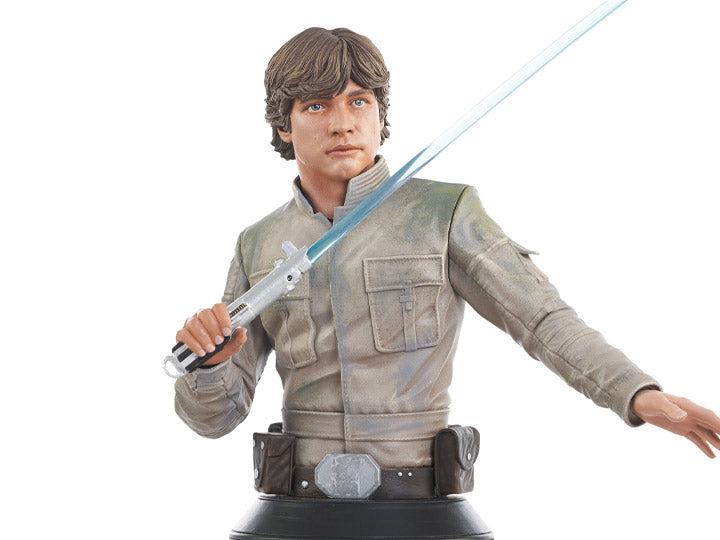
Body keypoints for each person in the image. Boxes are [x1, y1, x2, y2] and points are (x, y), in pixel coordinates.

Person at [172, 26, 720, 534]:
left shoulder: (442, 213)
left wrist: (635, 393)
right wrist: (208, 368)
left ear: (381, 115)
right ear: (283, 125)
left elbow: (542, 320)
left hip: (420, 512)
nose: (342, 123)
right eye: (316, 105)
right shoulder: (259, 244)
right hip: (293, 515)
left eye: (359, 101)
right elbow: (215, 419)